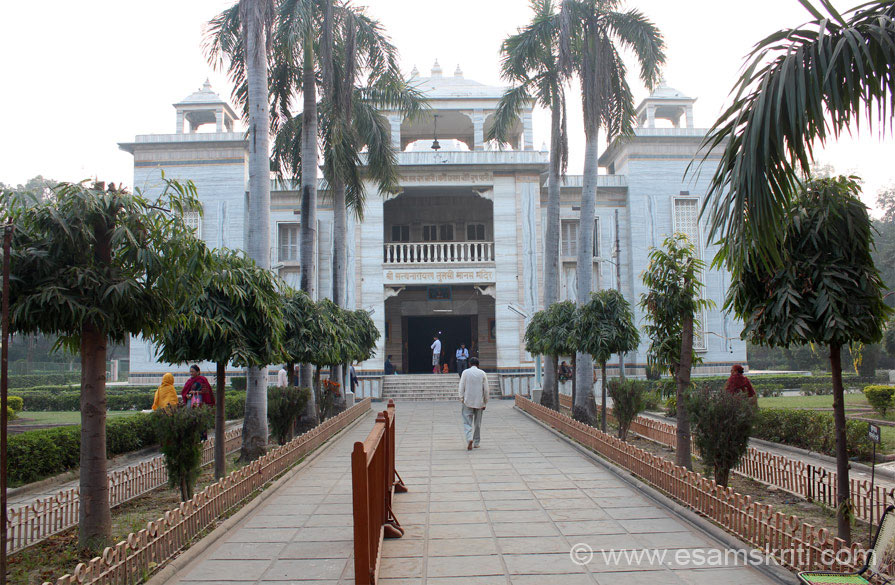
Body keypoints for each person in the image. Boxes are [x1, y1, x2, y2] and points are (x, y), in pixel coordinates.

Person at [458, 357, 489, 450]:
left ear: (469, 364)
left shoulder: (465, 372)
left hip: (467, 401)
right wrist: (485, 402)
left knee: (467, 422)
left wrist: (461, 398)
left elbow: (461, 386)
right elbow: (486, 389)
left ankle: (469, 438)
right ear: (478, 365)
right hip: (479, 402)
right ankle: (476, 442)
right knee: (477, 423)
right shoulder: (482, 373)